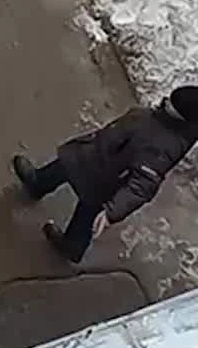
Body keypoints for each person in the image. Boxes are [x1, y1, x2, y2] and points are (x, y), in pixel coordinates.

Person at [13, 87, 198, 263]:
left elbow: (142, 187)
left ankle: (72, 246)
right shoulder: (175, 124)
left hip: (105, 177)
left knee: (86, 212)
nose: (163, 102)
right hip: (95, 154)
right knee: (64, 166)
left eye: (169, 105)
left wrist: (112, 212)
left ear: (180, 117)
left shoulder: (161, 150)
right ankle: (37, 184)